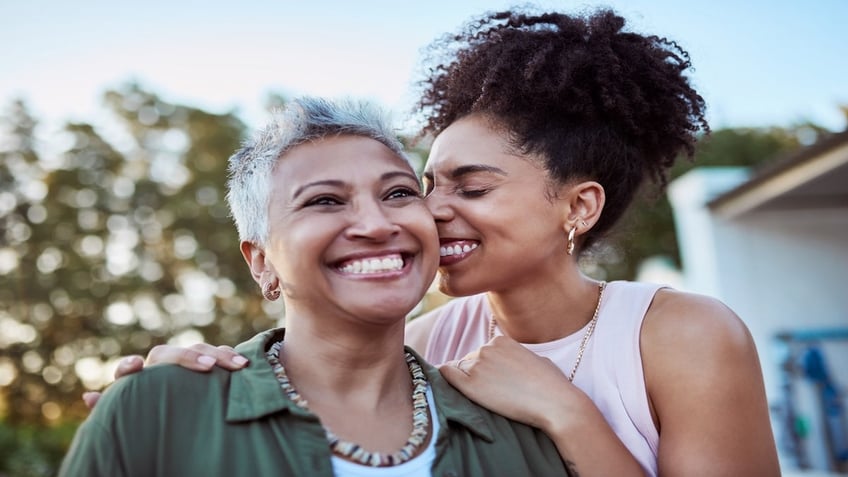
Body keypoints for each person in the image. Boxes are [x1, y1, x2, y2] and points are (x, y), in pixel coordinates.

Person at [84, 7, 781, 476]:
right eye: (425, 184)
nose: (430, 211)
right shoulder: (425, 345)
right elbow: (314, 351)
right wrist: (179, 376)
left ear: (578, 205)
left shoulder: (683, 335)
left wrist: (567, 412)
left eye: (472, 188)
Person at [60, 97, 576, 476]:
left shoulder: (514, 429)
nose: (376, 225)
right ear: (261, 261)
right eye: (325, 201)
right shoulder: (161, 409)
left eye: (398, 193)